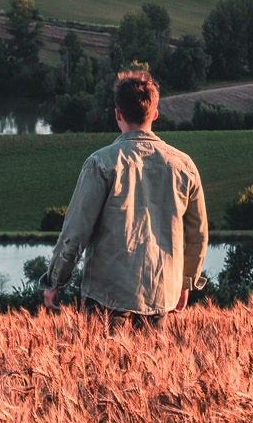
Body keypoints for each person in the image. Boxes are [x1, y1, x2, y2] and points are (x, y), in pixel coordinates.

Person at [42, 70, 209, 321]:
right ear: (154, 114)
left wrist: (55, 280)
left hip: (105, 297)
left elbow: (76, 231)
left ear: (118, 114)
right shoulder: (184, 167)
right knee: (156, 360)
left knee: (100, 362)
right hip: (161, 296)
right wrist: (185, 282)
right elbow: (198, 235)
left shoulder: (101, 163)